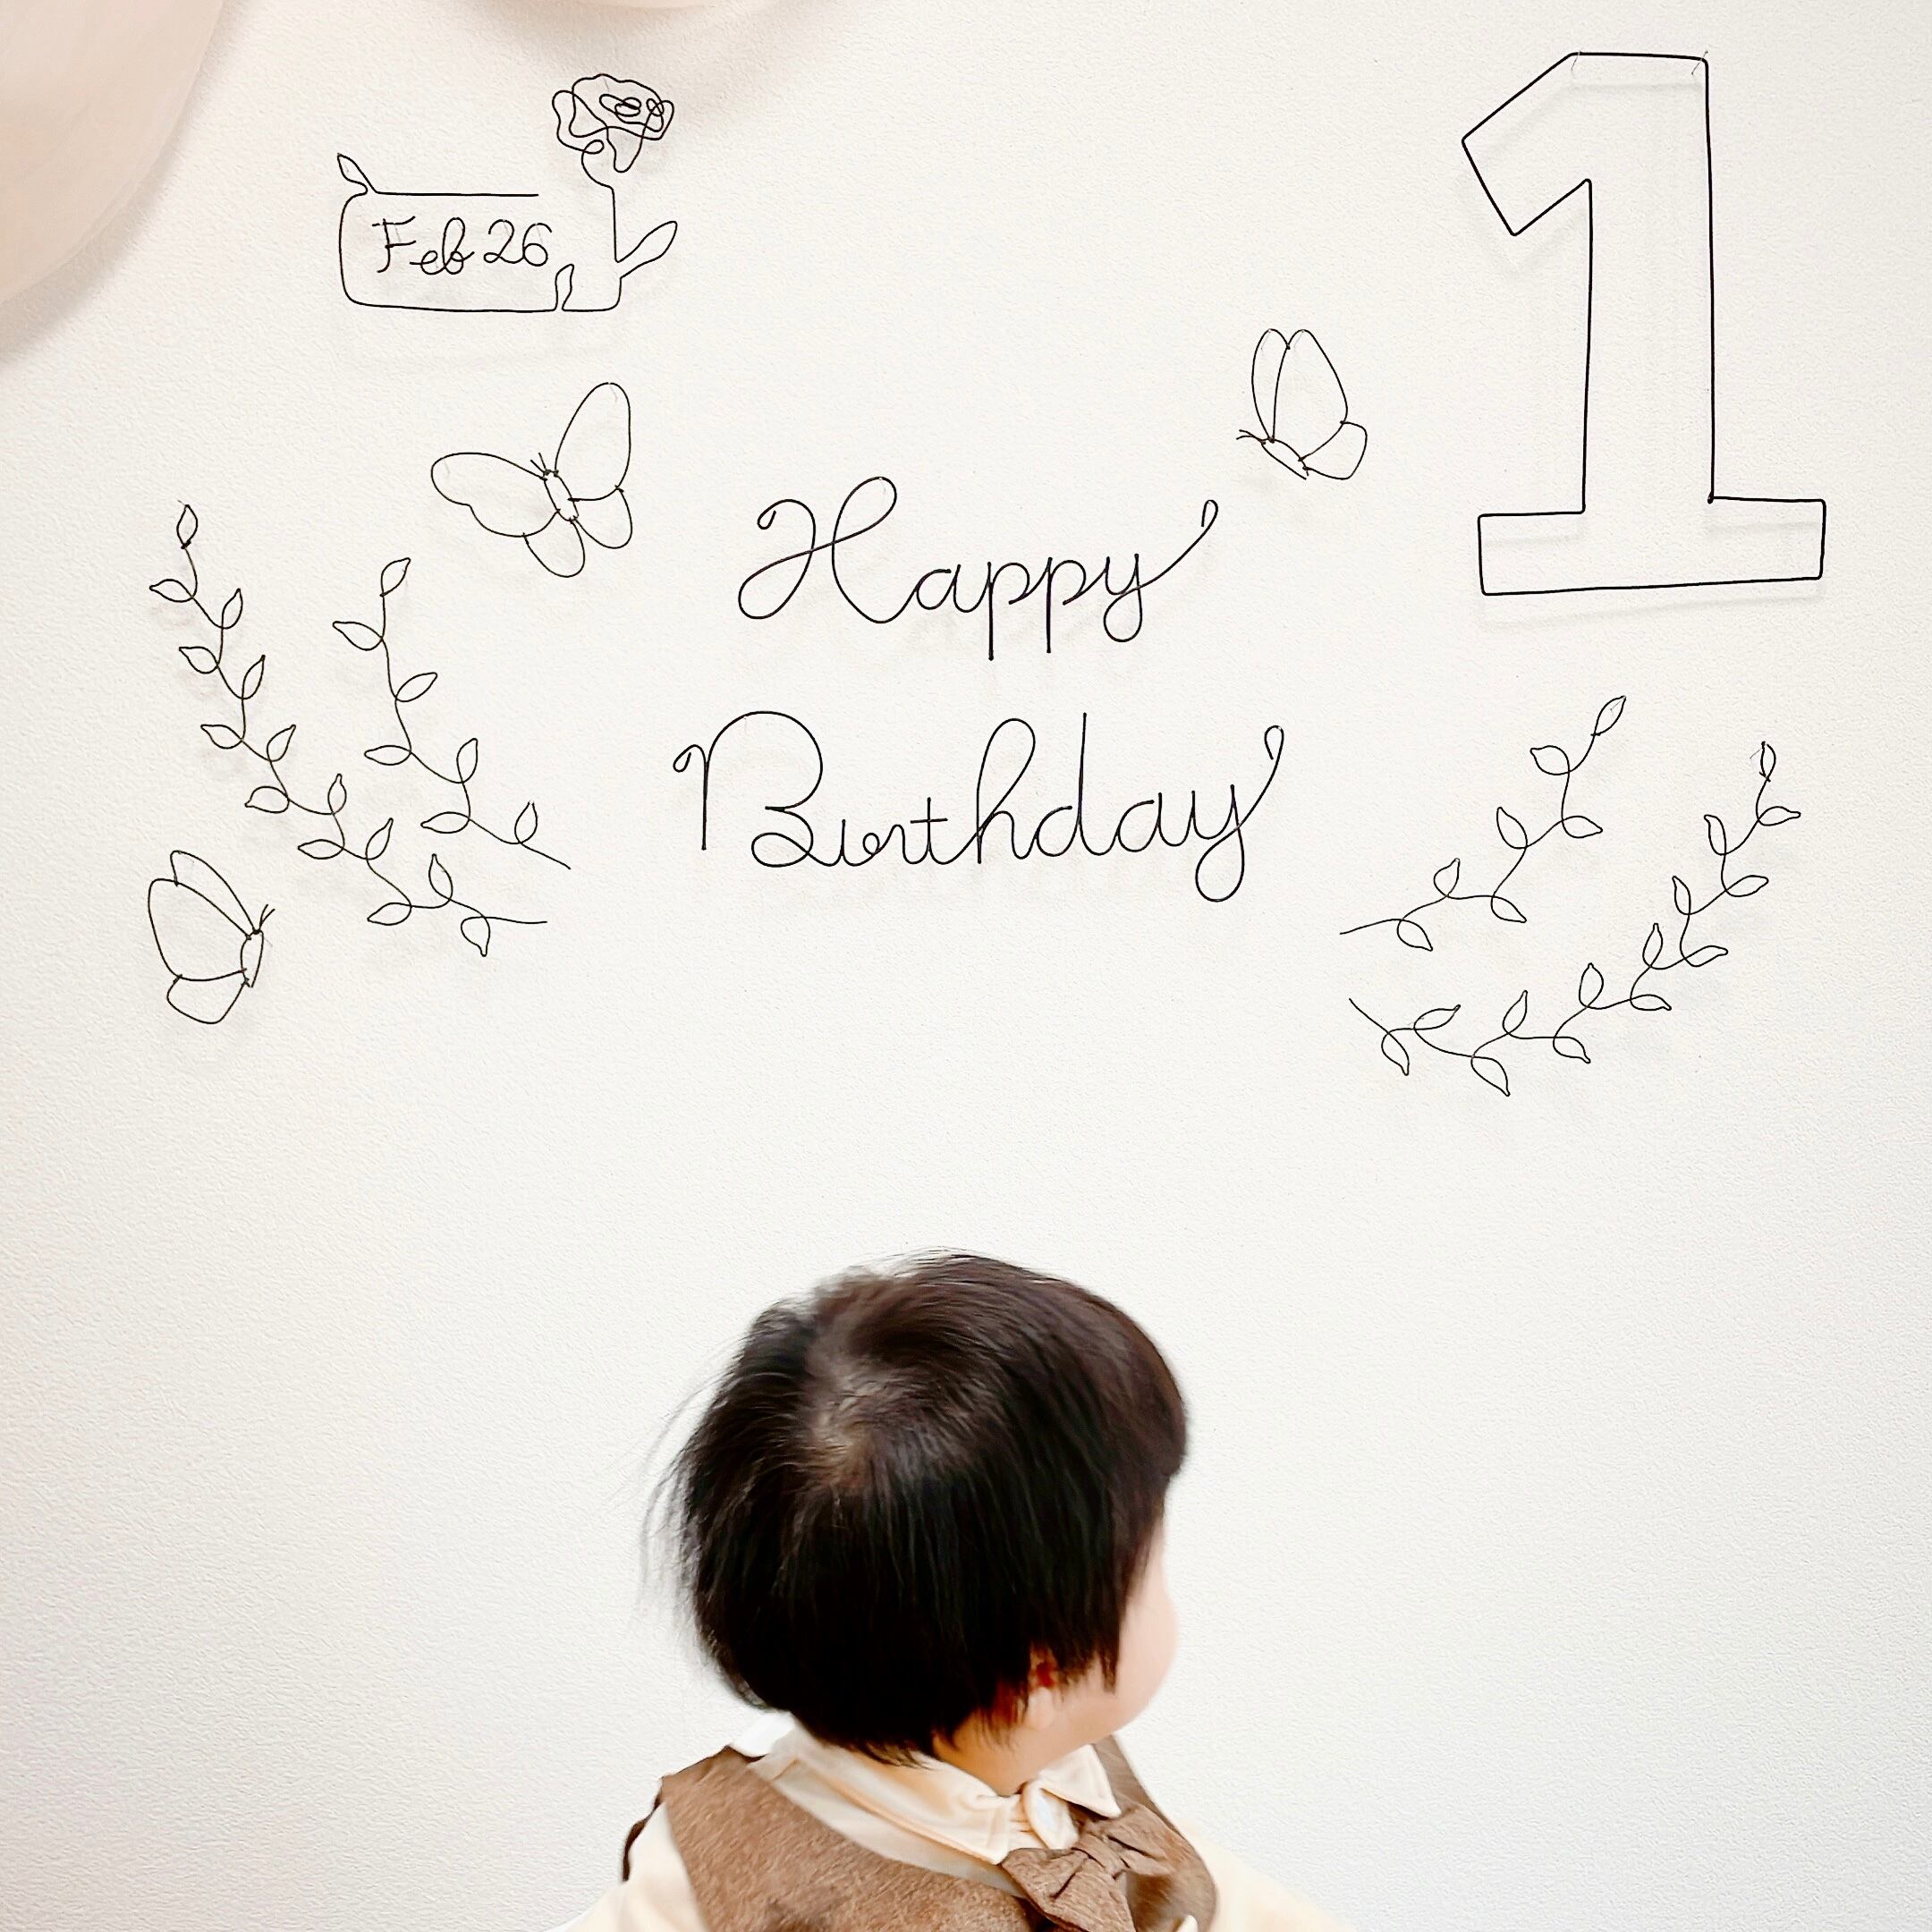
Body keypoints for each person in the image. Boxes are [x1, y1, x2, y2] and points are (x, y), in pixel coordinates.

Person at [557, 1250, 1356, 1932]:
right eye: (1153, 1570)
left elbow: (1239, 1904)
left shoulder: (1073, 1775)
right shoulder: (715, 1869)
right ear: (1041, 1674)